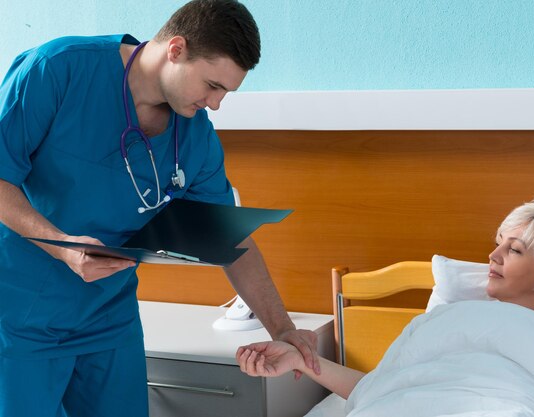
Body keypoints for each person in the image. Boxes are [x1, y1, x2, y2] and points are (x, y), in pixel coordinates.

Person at [0, 1, 319, 416]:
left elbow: (228, 240)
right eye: (212, 85)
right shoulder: (57, 70)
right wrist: (63, 246)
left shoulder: (195, 136)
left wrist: (284, 329)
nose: (216, 103)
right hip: (19, 316)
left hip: (108, 319)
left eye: (226, 92)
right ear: (176, 49)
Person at [237, 198, 534, 415]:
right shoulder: (450, 316)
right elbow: (386, 388)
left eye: (515, 249)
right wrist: (298, 359)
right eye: (499, 242)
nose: (493, 255)